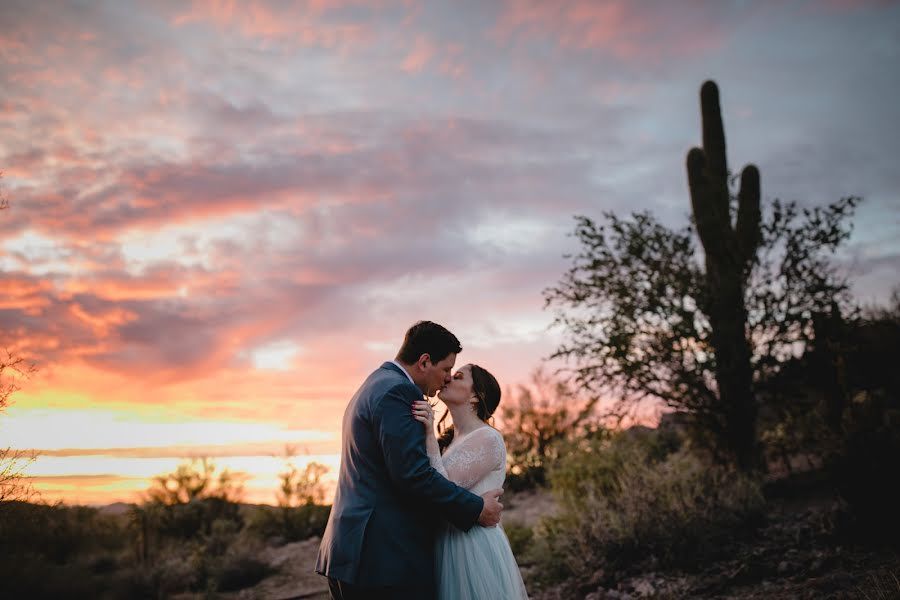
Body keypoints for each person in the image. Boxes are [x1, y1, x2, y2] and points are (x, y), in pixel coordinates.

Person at [316, 321, 504, 600]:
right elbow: (413, 476)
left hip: (357, 551)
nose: (447, 378)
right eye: (446, 369)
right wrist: (477, 508)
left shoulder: (377, 383)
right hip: (381, 559)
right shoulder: (398, 392)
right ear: (425, 361)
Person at [412, 363, 529, 599]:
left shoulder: (487, 438)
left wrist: (428, 436)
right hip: (446, 543)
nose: (447, 379)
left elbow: (442, 489)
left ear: (476, 396)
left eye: (457, 377)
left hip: (471, 548)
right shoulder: (452, 441)